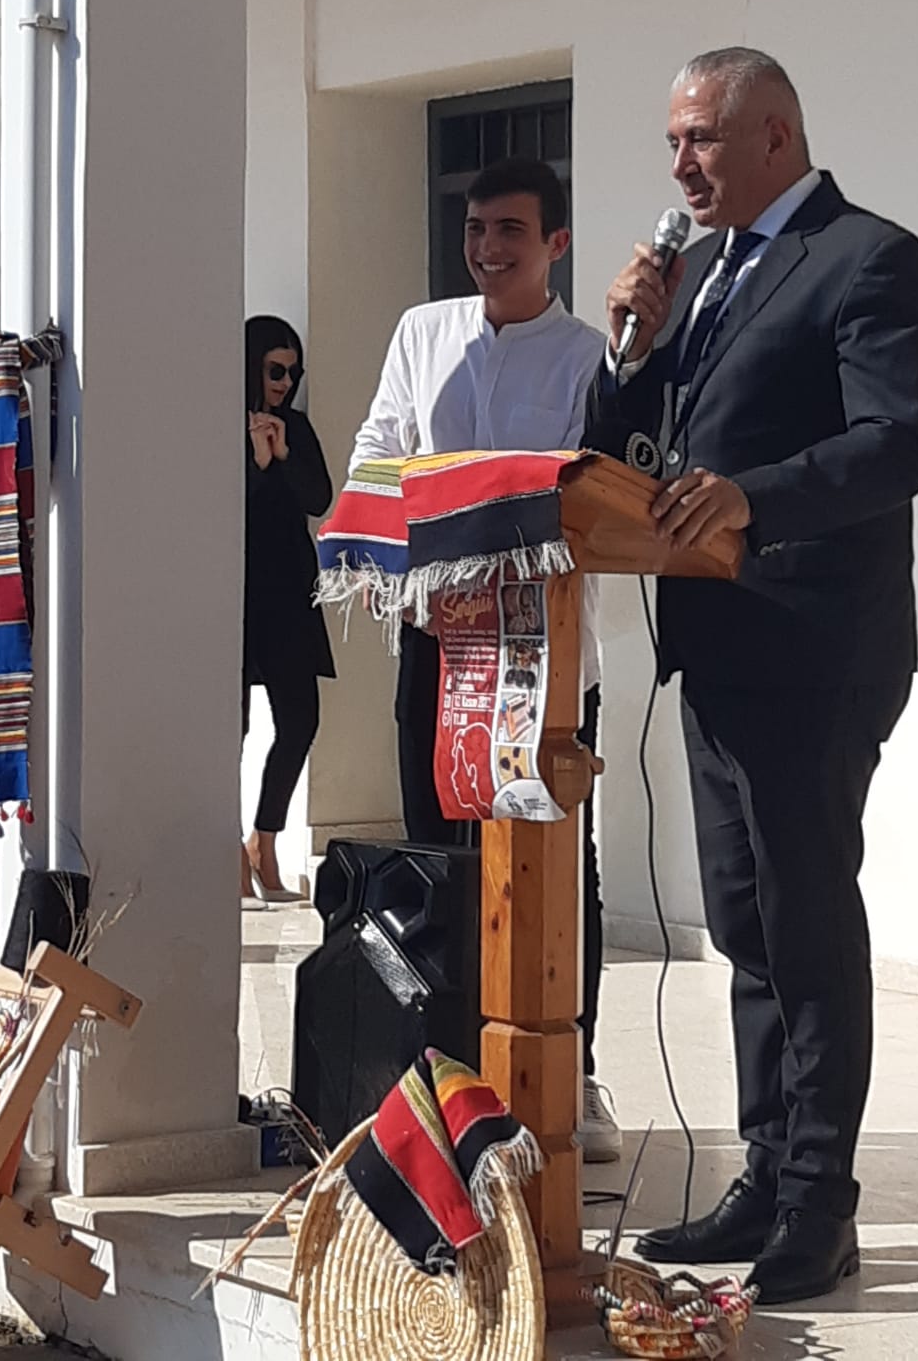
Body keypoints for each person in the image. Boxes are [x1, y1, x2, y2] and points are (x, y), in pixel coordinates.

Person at [586, 48, 918, 1303]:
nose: (679, 164)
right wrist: (631, 350)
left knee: (805, 921)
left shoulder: (869, 259)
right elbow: (629, 447)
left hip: (817, 647)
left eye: (700, 137)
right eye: (672, 142)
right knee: (743, 927)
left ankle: (819, 1205)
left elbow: (895, 445)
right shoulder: (699, 277)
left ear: (775, 135)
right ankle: (763, 1172)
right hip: (718, 645)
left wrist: (754, 498)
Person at [351, 155, 621, 1163]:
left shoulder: (589, 359)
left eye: (510, 229)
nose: (487, 248)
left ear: (555, 242)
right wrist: (395, 562)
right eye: (474, 228)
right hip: (434, 643)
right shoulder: (423, 334)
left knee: (556, 867)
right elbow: (379, 452)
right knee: (440, 858)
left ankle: (573, 1075)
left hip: (542, 660)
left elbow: (585, 490)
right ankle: (449, 1072)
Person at [243, 315, 336, 907]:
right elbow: (221, 505)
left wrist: (280, 453)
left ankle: (264, 839)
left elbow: (319, 497)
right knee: (228, 728)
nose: (284, 383)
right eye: (275, 370)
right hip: (235, 591)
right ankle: (224, 849)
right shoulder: (214, 421)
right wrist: (254, 462)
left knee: (300, 719)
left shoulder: (294, 426)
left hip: (288, 591)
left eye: (292, 373)